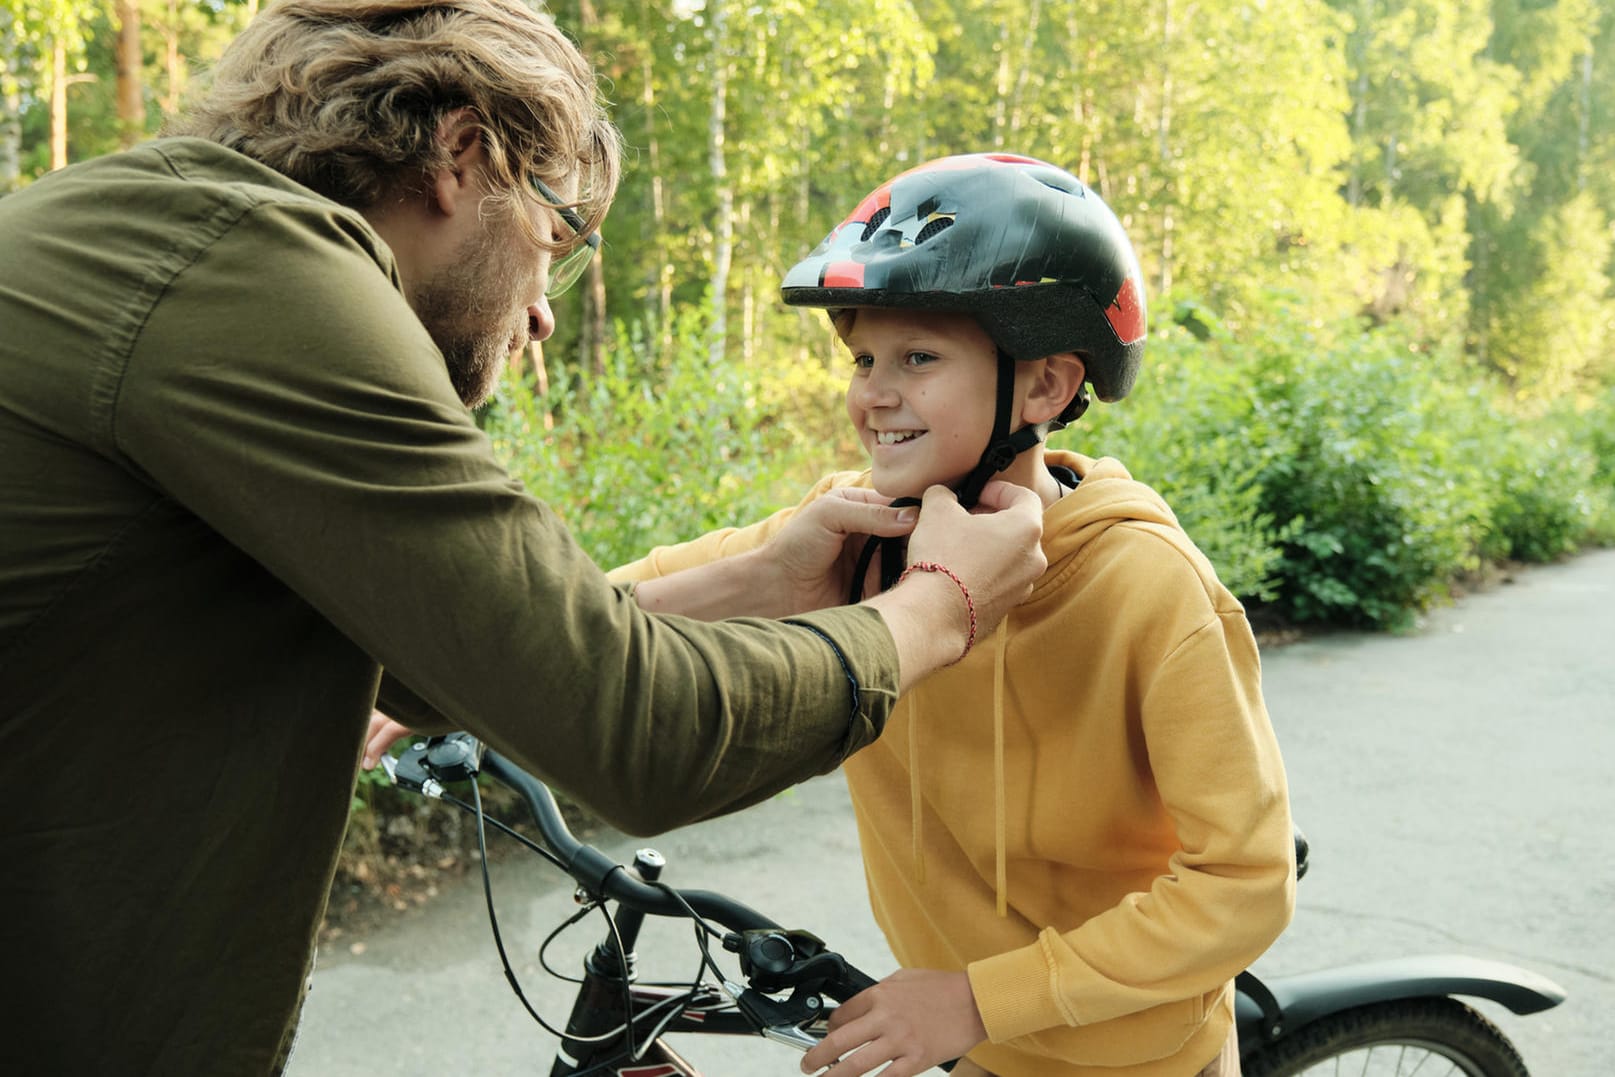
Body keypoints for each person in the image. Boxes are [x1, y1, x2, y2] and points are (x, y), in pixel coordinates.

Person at [0, 6, 1048, 1073]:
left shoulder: (141, 228)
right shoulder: (258, 280)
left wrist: (761, 579)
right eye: (557, 237)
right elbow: (633, 728)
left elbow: (473, 656)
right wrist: (935, 611)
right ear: (462, 154)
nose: (544, 311)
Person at [606, 154, 1296, 1077]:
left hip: (1131, 1056)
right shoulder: (852, 531)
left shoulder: (1146, 587)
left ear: (1045, 387)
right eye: (863, 359)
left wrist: (979, 998)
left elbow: (1244, 885)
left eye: (917, 357)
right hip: (966, 1043)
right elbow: (600, 609)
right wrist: (446, 679)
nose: (870, 395)